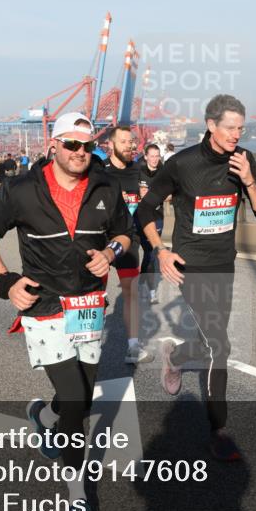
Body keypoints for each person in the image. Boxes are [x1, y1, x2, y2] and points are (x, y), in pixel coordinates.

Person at [0, 111, 132, 511]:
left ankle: (43, 416)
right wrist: (6, 281)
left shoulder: (105, 185)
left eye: (87, 146)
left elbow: (125, 233)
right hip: (44, 306)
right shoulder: (22, 190)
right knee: (77, 399)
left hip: (89, 304)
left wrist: (111, 253)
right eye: (72, 144)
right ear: (54, 146)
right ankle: (78, 501)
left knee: (78, 399)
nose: (80, 152)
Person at [137, 94, 256, 461]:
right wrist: (160, 250)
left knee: (210, 342)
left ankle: (176, 355)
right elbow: (144, 210)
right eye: (230, 128)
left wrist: (249, 181)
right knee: (220, 345)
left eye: (241, 129)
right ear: (211, 125)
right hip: (190, 265)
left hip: (223, 263)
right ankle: (218, 431)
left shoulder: (244, 160)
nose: (236, 135)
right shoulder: (182, 164)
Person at [103, 125, 151, 363]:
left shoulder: (138, 170)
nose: (130, 146)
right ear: (111, 145)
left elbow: (150, 198)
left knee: (131, 291)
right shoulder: (100, 171)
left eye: (131, 141)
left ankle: (133, 346)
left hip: (129, 238)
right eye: (123, 142)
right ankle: (85, 341)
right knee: (94, 292)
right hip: (100, 238)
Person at [137, 143, 165, 304]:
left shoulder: (164, 172)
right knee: (146, 252)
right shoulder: (138, 171)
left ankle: (148, 288)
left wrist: (155, 195)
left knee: (152, 254)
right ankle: (144, 284)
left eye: (157, 156)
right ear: (146, 156)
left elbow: (172, 195)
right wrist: (138, 194)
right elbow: (128, 192)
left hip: (157, 217)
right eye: (152, 156)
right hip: (140, 217)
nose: (155, 159)